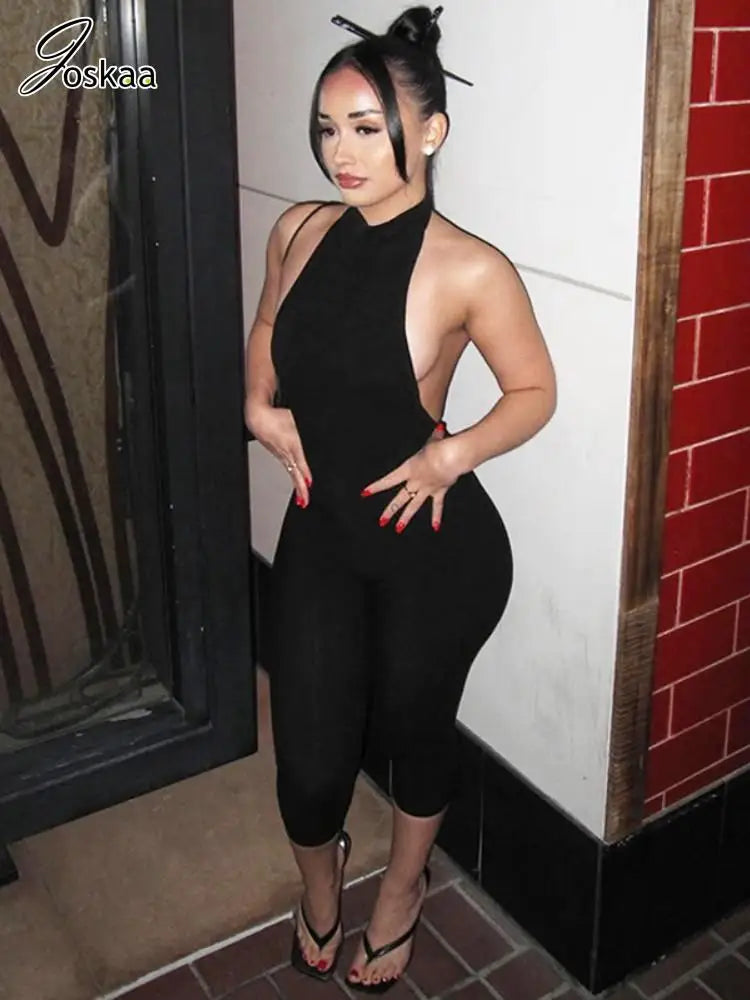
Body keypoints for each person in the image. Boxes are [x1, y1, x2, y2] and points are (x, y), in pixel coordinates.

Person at [244, 5, 556, 992]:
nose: (340, 152)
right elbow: (268, 329)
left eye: (366, 128)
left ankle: (404, 887)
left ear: (430, 131)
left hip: (434, 549)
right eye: (327, 128)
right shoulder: (299, 229)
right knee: (308, 764)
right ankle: (322, 880)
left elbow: (535, 392)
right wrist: (258, 407)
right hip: (323, 535)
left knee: (418, 730)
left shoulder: (470, 267)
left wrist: (449, 455)